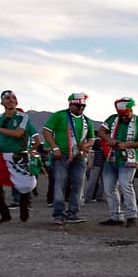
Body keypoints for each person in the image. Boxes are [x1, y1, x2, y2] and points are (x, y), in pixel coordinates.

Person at [97, 97, 138, 227]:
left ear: (131, 110)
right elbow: (101, 131)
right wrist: (108, 139)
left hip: (129, 160)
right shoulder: (112, 119)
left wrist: (127, 145)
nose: (123, 118)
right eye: (121, 115)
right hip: (111, 158)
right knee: (109, 187)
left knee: (125, 185)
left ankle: (131, 216)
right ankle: (115, 216)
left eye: (125, 115)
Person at [0, 90, 38, 223]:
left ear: (17, 101)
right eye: (7, 98)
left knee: (25, 186)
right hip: (0, 156)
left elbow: (18, 134)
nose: (11, 100)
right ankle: (4, 213)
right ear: (1, 102)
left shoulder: (23, 117)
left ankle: (23, 206)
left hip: (17, 155)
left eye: (13, 98)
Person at [43, 93, 95, 224]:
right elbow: (46, 131)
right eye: (78, 105)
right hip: (61, 155)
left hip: (79, 156)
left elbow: (92, 138)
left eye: (83, 106)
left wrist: (86, 145)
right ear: (70, 104)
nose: (81, 108)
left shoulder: (87, 120)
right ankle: (58, 215)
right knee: (60, 185)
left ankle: (73, 213)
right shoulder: (59, 115)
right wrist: (54, 148)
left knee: (78, 185)